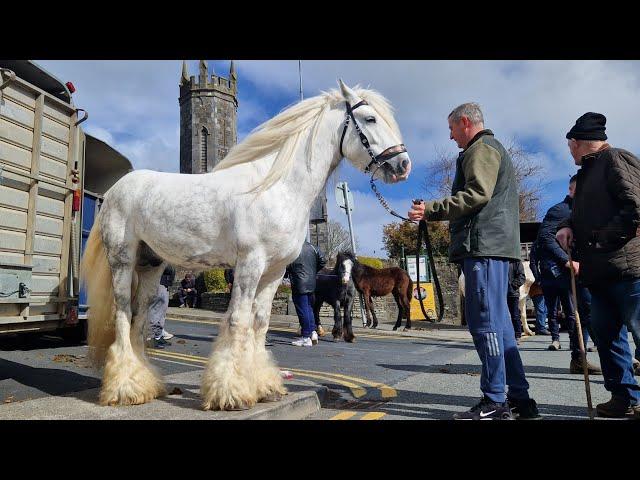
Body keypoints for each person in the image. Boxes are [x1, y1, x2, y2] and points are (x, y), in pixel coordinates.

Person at [408, 102, 539, 420]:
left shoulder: (480, 149)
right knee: (503, 328)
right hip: (494, 249)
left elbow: (477, 194)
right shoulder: (491, 149)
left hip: (483, 249)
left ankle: (495, 400)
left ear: (464, 122)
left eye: (451, 129)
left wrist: (432, 210)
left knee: (486, 327)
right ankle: (520, 399)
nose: (451, 136)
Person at [557, 112, 640, 418]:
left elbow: (636, 207)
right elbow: (588, 213)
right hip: (600, 273)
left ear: (578, 143)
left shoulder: (616, 159)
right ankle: (625, 398)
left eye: (570, 147)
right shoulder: (588, 173)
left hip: (629, 269)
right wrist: (567, 225)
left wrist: (599, 240)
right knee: (607, 337)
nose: (570, 153)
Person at [536, 175, 601, 374]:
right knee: (587, 314)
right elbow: (545, 237)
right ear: (572, 190)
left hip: (593, 268)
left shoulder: (588, 210)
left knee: (588, 314)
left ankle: (582, 358)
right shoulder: (560, 210)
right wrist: (567, 260)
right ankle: (580, 358)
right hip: (571, 272)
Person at [285, 240, 326, 347]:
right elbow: (323, 260)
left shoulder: (293, 247)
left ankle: (306, 337)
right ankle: (312, 332)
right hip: (311, 282)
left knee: (303, 310)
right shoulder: (312, 247)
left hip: (299, 282)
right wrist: (313, 270)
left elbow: (287, 264)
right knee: (309, 308)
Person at [148, 264, 175, 349]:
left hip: (165, 282)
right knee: (156, 311)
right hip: (158, 280)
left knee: (162, 312)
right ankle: (150, 338)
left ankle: (158, 336)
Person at [527, 241, 550, 335]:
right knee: (541, 308)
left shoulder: (537, 264)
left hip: (542, 288)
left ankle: (541, 326)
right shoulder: (534, 265)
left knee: (544, 308)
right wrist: (539, 280)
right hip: (537, 289)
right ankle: (541, 327)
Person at [507, 259, 526, 344]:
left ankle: (517, 335)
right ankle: (506, 336)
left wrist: (512, 286)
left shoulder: (516, 261)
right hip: (499, 294)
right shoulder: (499, 261)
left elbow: (522, 277)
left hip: (512, 293)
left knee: (515, 315)